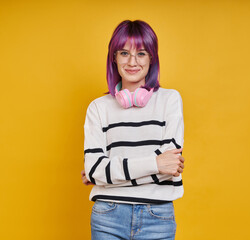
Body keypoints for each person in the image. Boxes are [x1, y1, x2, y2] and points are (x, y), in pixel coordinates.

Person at [81, 19, 185, 240]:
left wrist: (108, 175)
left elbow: (171, 166)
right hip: (108, 216)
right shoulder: (98, 108)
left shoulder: (170, 100)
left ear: (151, 58)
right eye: (124, 53)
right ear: (114, 58)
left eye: (141, 53)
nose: (132, 62)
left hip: (157, 217)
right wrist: (155, 164)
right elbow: (94, 170)